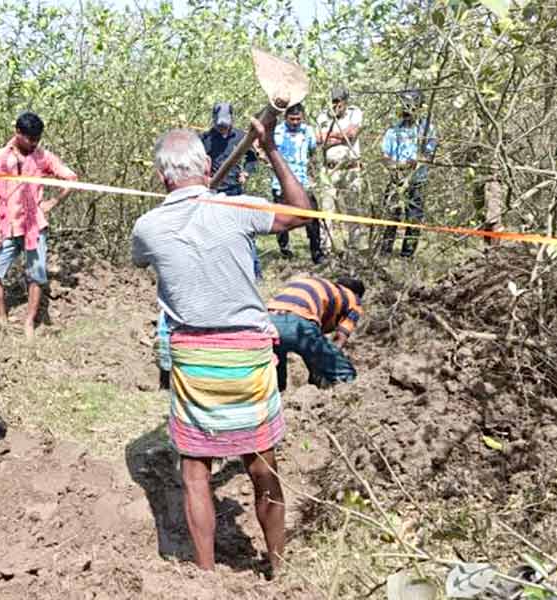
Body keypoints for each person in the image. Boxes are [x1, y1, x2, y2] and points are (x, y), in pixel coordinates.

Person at [131, 115, 315, 575]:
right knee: (261, 466)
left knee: (196, 474)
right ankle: (278, 566)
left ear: (161, 177)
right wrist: (272, 150)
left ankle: (207, 576)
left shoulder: (148, 227)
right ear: (209, 164)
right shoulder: (237, 209)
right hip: (248, 357)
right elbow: (301, 210)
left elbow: (143, 259)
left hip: (193, 360)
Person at [0, 111, 77, 338]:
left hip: (34, 226)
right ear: (18, 133)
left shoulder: (43, 156)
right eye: (30, 139)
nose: (34, 144)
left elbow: (71, 178)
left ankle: (29, 324)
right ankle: (2, 320)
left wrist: (53, 202)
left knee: (36, 275)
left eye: (37, 139)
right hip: (6, 225)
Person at [266, 275, 364, 391]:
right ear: (357, 294)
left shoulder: (319, 286)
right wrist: (330, 360)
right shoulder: (353, 299)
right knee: (344, 374)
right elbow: (339, 339)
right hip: (297, 320)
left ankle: (279, 395)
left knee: (275, 379)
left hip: (267, 321)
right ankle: (351, 393)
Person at [201, 102, 262, 278]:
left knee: (244, 231)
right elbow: (196, 162)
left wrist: (246, 172)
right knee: (213, 233)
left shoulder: (242, 137)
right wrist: (204, 178)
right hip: (213, 192)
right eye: (219, 124)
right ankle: (218, 272)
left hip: (235, 190)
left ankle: (255, 272)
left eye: (225, 124)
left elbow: (252, 158)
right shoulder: (205, 139)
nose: (222, 128)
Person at [379, 89, 438, 258]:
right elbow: (385, 155)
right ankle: (384, 251)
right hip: (396, 180)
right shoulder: (394, 130)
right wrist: (395, 167)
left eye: (410, 106)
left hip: (417, 180)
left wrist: (417, 162)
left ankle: (407, 255)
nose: (407, 110)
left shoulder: (427, 129)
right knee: (390, 216)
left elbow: (429, 154)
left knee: (414, 218)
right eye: (404, 106)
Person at [272, 103, 325, 263]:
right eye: (292, 119)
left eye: (298, 119)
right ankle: (284, 250)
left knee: (312, 217)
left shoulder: (308, 131)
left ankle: (317, 253)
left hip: (302, 182)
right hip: (280, 182)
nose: (295, 122)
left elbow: (313, 151)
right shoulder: (277, 131)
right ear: (285, 117)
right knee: (281, 217)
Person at [317, 86, 364, 252]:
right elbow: (320, 139)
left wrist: (332, 136)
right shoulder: (323, 115)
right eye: (333, 101)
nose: (335, 105)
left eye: (338, 101)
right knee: (327, 209)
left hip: (349, 168)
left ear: (345, 101)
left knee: (352, 209)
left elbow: (351, 134)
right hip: (329, 170)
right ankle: (326, 247)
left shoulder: (354, 113)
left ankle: (354, 245)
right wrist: (339, 136)